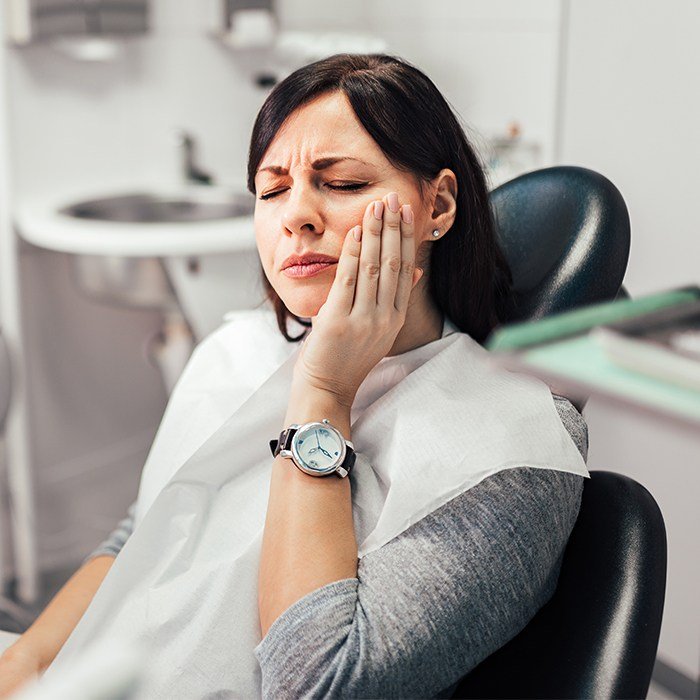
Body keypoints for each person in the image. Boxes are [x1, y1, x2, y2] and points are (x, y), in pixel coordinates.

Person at [0, 53, 588, 698]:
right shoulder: (235, 351)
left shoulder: (514, 443)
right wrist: (24, 665)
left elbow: (319, 683)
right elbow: (147, 530)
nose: (295, 216)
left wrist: (325, 393)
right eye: (272, 190)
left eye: (341, 184)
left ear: (438, 205)